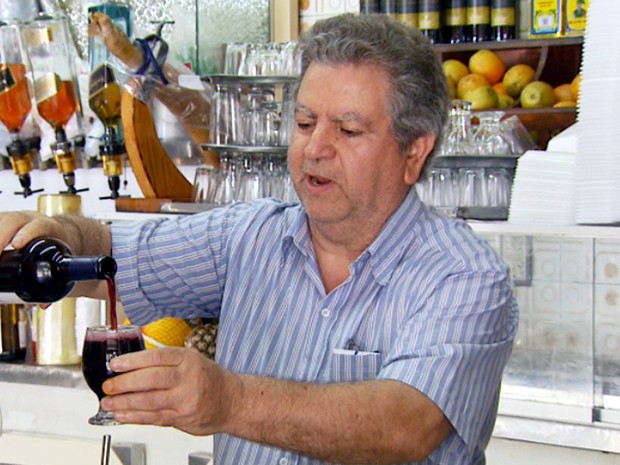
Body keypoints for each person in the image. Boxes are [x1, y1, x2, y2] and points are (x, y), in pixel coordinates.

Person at [0, 13, 518, 465]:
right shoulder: (247, 237)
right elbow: (113, 258)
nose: (315, 149)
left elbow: (406, 425)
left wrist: (229, 401)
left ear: (414, 152)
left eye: (348, 131)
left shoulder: (464, 276)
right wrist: (60, 233)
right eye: (305, 122)